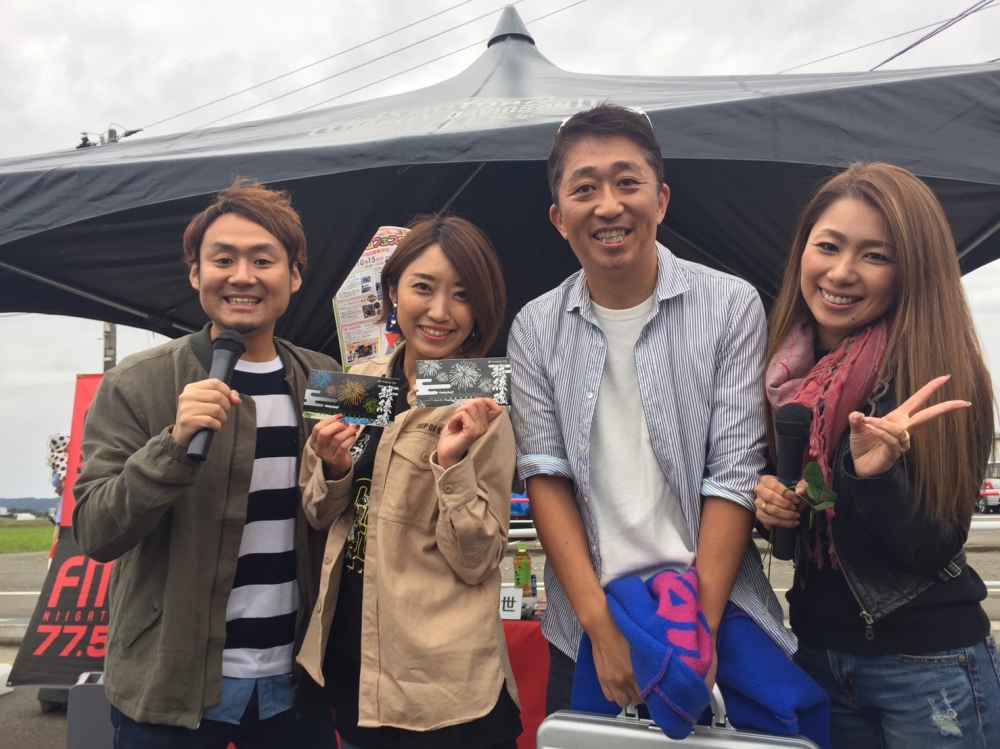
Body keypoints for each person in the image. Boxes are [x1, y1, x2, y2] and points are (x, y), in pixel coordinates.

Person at [508, 103, 792, 714]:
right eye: (585, 189)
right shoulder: (534, 327)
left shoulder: (730, 305)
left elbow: (734, 473)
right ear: (559, 218)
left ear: (660, 200)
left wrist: (697, 632)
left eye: (627, 181)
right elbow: (544, 477)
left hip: (716, 605)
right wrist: (602, 630)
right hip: (588, 622)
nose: (608, 205)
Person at [73, 179, 340, 748]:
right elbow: (95, 531)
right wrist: (172, 445)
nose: (242, 276)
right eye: (223, 259)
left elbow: (352, 510)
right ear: (196, 273)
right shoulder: (137, 383)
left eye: (263, 260)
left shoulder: (325, 378)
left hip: (297, 687)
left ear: (294, 275)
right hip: (169, 687)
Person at [753, 162, 999, 748]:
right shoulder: (783, 373)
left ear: (911, 270)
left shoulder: (939, 377)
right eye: (828, 246)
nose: (841, 272)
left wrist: (877, 477)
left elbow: (937, 544)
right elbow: (805, 521)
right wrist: (771, 504)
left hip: (929, 665)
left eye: (874, 255)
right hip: (816, 652)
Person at [296, 214, 522, 749]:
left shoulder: (481, 402)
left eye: (462, 295)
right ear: (393, 289)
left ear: (480, 309)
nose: (440, 311)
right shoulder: (359, 382)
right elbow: (317, 514)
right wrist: (333, 468)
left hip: (443, 685)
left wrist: (451, 465)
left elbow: (477, 561)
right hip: (352, 659)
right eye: (423, 287)